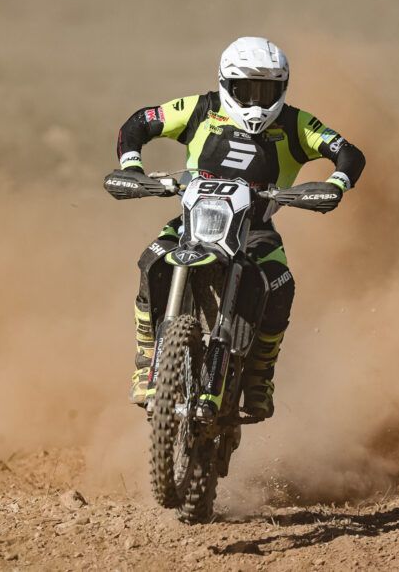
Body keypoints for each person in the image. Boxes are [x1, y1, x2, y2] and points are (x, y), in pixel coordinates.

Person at [108, 37, 365, 418]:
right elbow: (139, 123)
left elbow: (348, 152)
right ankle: (147, 362)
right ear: (226, 84)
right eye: (246, 90)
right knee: (151, 260)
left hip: (256, 229)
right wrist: (132, 167)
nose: (257, 102)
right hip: (192, 221)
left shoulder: (297, 124)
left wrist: (337, 183)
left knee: (280, 282)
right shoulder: (200, 109)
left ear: (283, 88)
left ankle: (260, 376)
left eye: (267, 91)